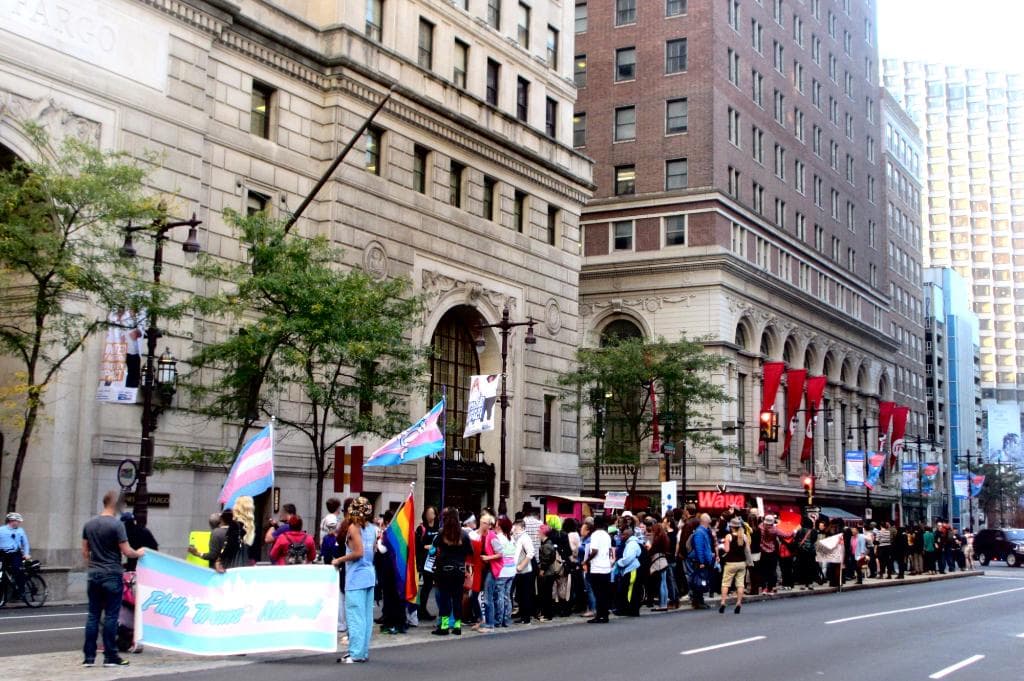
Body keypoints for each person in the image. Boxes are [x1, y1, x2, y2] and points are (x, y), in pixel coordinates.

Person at [82, 491, 146, 668]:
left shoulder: (89, 524)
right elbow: (126, 551)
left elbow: (85, 551)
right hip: (112, 574)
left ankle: (88, 657)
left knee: (93, 615)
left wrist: (93, 566)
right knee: (111, 615)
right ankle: (110, 656)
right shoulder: (117, 526)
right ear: (115, 504)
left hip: (94, 574)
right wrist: (139, 553)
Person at [331, 497, 376, 664]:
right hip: (370, 575)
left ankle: (355, 653)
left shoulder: (353, 528)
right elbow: (372, 551)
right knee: (365, 617)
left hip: (356, 577)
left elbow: (358, 552)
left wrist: (339, 560)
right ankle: (362, 652)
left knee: (355, 617)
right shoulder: (372, 529)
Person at [430, 507, 472, 636]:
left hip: (444, 571)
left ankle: (444, 627)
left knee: (445, 600)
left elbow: (432, 550)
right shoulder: (464, 534)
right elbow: (470, 552)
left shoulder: (442, 532)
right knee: (457, 599)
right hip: (459, 571)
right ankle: (457, 627)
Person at [584, 514, 613, 624]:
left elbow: (594, 551)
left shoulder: (595, 535)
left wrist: (586, 560)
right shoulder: (607, 535)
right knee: (605, 592)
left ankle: (599, 615)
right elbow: (609, 551)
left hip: (597, 567)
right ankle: (605, 615)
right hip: (606, 567)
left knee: (597, 593)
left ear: (595, 524)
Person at [718, 517, 751, 614]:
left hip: (731, 563)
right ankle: (738, 603)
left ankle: (723, 602)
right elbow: (747, 550)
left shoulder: (729, 536)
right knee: (740, 584)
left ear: (731, 526)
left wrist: (722, 546)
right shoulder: (744, 536)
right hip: (742, 563)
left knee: (725, 583)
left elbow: (727, 550)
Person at [614, 519, 644, 617]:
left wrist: (619, 563)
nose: (621, 537)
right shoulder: (631, 543)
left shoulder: (631, 544)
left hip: (632, 569)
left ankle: (630, 609)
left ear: (627, 535)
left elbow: (628, 558)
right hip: (631, 569)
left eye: (623, 535)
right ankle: (629, 609)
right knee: (629, 589)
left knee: (631, 590)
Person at [217, 496, 255, 571]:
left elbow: (230, 545)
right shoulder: (251, 526)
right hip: (245, 562)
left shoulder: (235, 525)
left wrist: (219, 560)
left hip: (234, 564)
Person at [415, 506, 440, 620]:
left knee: (429, 586)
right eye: (428, 513)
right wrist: (426, 547)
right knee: (423, 587)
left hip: (434, 561)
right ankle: (419, 610)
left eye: (432, 513)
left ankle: (423, 609)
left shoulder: (439, 528)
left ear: (435, 515)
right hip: (424, 561)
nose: (430, 515)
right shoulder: (421, 528)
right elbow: (416, 545)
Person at [687, 514, 715, 609]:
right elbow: (699, 548)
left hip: (703, 560)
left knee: (700, 580)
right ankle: (698, 601)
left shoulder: (703, 531)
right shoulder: (700, 532)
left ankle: (699, 600)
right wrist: (701, 561)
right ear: (706, 521)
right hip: (700, 561)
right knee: (699, 581)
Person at [1, 512, 30, 599]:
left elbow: (25, 543)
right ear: (11, 521)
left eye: (18, 521)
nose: (18, 523)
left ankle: (21, 591)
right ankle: (4, 594)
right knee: (2, 573)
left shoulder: (20, 530)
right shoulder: (1, 530)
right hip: (2, 553)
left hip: (15, 554)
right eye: (17, 521)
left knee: (18, 570)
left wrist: (26, 554)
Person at [512, 519, 536, 624]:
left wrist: (522, 565)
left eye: (516, 526)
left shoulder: (525, 538)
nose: (514, 528)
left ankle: (526, 617)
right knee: (520, 593)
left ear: (521, 527)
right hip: (518, 570)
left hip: (525, 570)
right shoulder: (516, 537)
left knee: (525, 593)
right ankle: (522, 615)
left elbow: (531, 553)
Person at [647, 522, 671, 611]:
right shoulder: (665, 537)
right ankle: (664, 604)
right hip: (664, 560)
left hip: (658, 561)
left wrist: (648, 550)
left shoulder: (657, 539)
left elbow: (652, 550)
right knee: (664, 584)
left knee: (661, 583)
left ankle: (662, 605)